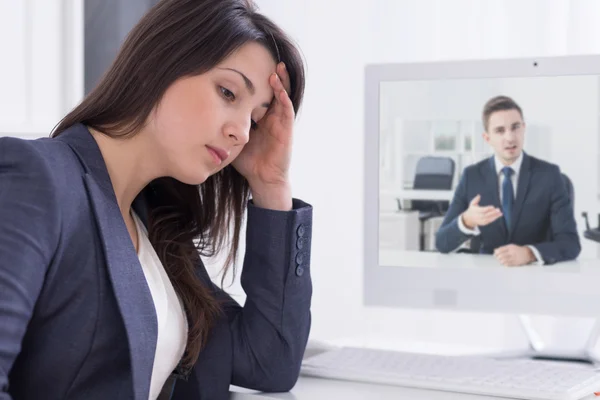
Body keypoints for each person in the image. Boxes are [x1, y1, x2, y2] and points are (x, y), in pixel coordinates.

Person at [0, 0, 313, 399]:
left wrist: (271, 184)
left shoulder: (158, 231)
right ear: (161, 62)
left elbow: (271, 362)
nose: (242, 133)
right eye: (228, 92)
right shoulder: (38, 179)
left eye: (254, 119)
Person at [435, 95, 580, 266]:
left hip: (535, 277)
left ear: (523, 129)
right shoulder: (471, 176)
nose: (510, 137)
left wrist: (529, 253)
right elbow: (442, 243)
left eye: (515, 127)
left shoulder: (550, 175)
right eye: (500, 131)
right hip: (487, 276)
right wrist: (467, 221)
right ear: (487, 138)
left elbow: (570, 243)